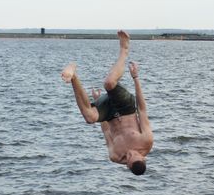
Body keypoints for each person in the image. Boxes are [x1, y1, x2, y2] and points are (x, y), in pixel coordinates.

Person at [61, 30, 153, 175]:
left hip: (109, 114)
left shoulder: (115, 156)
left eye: (128, 158)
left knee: (90, 118)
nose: (129, 154)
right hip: (126, 106)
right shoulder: (146, 141)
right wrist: (135, 77)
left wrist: (98, 102)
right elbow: (142, 110)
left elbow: (106, 131)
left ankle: (73, 76)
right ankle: (124, 49)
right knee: (109, 83)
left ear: (127, 165)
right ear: (143, 157)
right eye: (133, 154)